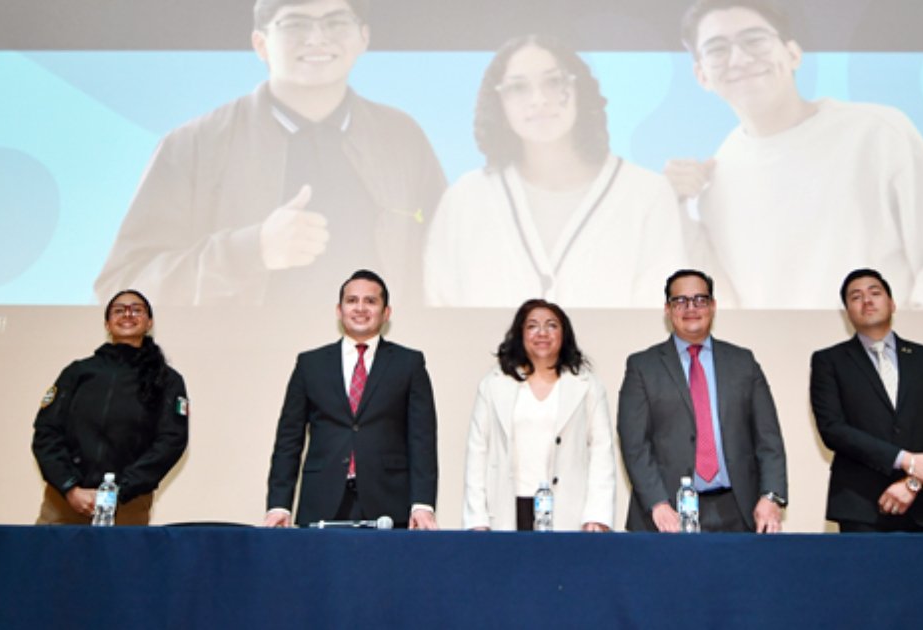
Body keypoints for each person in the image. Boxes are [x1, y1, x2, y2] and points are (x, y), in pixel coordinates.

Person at [95, 0, 446, 306]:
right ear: (260, 44)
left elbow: (446, 261)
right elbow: (123, 288)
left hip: (375, 360)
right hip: (239, 358)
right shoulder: (193, 145)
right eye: (295, 23)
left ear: (363, 38)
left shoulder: (402, 138)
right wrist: (252, 250)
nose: (317, 38)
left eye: (336, 22)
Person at [666, 0, 923, 309]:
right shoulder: (717, 180)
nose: (739, 58)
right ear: (701, 75)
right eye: (717, 49)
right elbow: (725, 302)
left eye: (755, 40)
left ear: (793, 54)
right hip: (783, 349)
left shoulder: (876, 132)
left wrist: (906, 346)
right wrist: (671, 203)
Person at [423, 35, 687, 307]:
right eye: (518, 87)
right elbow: (440, 305)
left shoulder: (646, 193)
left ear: (579, 90)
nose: (538, 100)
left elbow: (657, 312)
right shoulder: (466, 199)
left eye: (553, 82)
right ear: (499, 103)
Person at [263, 269, 438, 528]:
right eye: (352, 300)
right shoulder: (310, 364)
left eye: (371, 301)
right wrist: (279, 504)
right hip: (321, 500)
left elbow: (422, 439)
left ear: (386, 312)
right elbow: (289, 439)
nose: (360, 308)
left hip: (389, 503)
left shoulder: (409, 363)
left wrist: (422, 504)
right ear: (339, 310)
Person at [617, 269, 787, 533]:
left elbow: (769, 437)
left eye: (700, 299)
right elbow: (634, 444)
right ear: (667, 309)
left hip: (740, 511)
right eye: (680, 301)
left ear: (713, 306)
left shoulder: (743, 362)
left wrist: (771, 495)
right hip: (667, 515)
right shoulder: (642, 366)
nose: (691, 308)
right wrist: (657, 503)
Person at [810, 268, 923, 532]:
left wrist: (913, 482)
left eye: (875, 293)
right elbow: (833, 429)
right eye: (856, 297)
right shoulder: (829, 361)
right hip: (863, 506)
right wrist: (905, 460)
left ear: (893, 303)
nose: (867, 300)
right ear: (847, 312)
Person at [31, 290, 189, 525]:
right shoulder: (77, 372)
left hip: (128, 504)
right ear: (107, 323)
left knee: (123, 552)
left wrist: (121, 490)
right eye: (119, 310)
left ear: (149, 323)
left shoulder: (167, 380)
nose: (128, 314)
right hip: (65, 501)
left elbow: (171, 441)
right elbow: (46, 432)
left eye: (136, 310)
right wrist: (70, 487)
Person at [463, 299, 615, 532]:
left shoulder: (587, 385)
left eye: (552, 325)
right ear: (520, 334)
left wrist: (597, 514)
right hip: (508, 507)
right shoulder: (493, 384)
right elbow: (477, 451)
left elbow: (601, 451)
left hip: (568, 509)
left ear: (564, 334)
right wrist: (477, 518)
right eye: (532, 326)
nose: (542, 332)